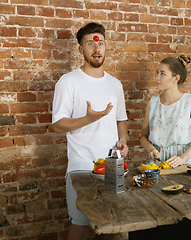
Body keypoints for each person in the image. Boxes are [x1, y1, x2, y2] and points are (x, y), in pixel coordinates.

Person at [52, 22, 128, 240]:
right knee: (80, 225)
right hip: (81, 167)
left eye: (101, 43)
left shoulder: (115, 84)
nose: (97, 49)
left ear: (105, 46)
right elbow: (57, 125)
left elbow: (121, 120)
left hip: (112, 167)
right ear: (80, 49)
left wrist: (123, 140)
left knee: (113, 226)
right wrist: (87, 119)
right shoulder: (68, 82)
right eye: (90, 44)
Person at [140, 55, 191, 168]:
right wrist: (150, 149)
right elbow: (143, 136)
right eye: (157, 73)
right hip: (157, 164)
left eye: (162, 74)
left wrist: (182, 158)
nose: (157, 78)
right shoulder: (153, 103)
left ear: (176, 78)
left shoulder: (190, 101)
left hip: (183, 164)